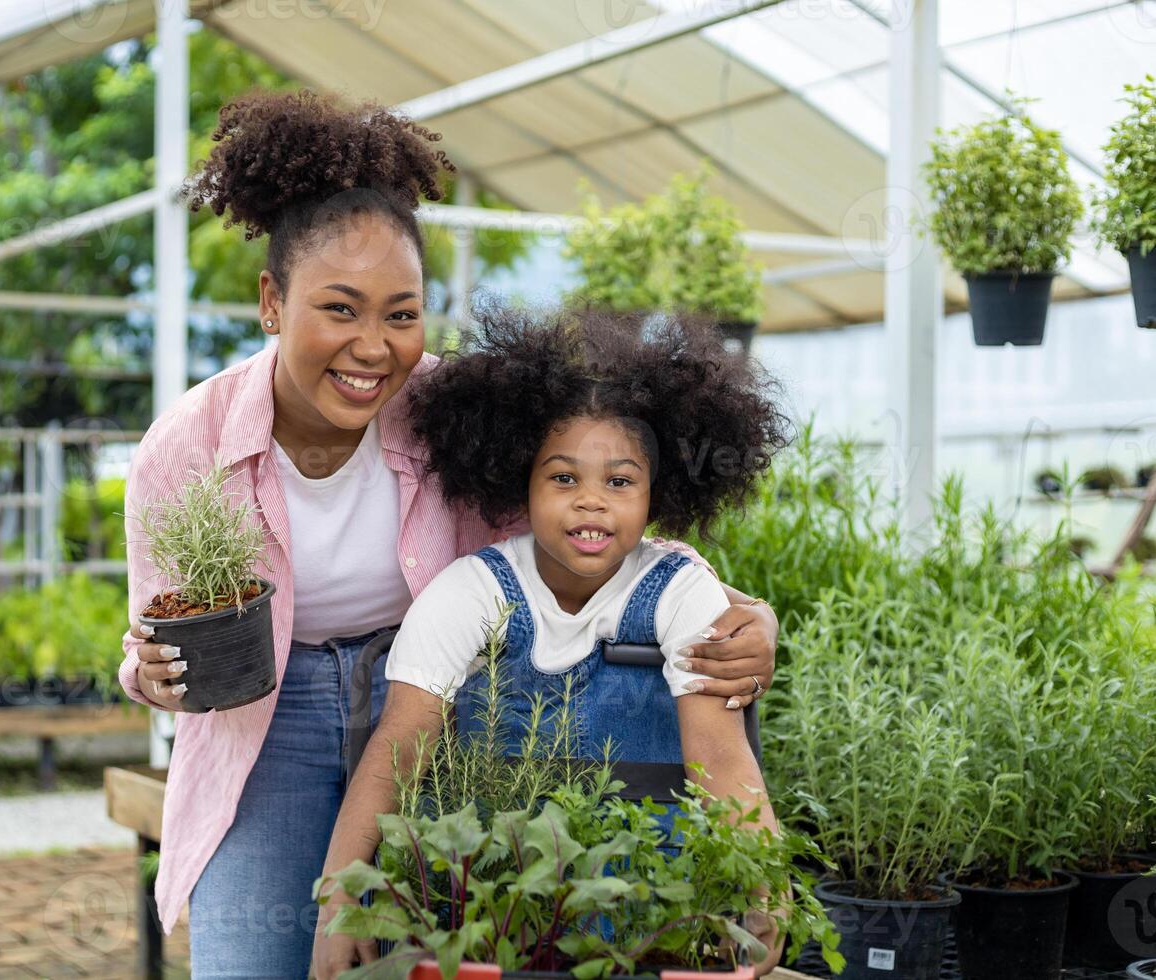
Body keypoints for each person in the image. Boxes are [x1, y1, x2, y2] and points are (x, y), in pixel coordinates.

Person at [117, 88, 782, 979]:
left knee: (429, 951)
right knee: (256, 959)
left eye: (401, 313)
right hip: (266, 721)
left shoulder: (453, 412)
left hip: (439, 694)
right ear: (272, 302)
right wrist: (146, 670)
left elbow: (584, 522)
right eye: (339, 308)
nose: (372, 346)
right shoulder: (188, 447)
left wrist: (732, 607)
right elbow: (158, 631)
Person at [311, 303, 792, 979]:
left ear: (655, 497)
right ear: (522, 484)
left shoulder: (682, 590)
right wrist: (341, 903)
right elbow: (396, 752)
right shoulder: (470, 592)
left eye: (619, 482)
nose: (591, 501)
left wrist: (767, 888)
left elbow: (719, 755)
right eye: (563, 478)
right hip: (484, 929)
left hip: (651, 922)